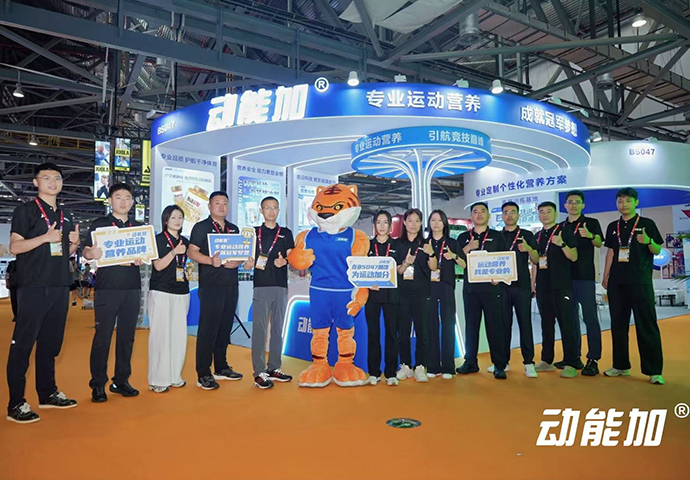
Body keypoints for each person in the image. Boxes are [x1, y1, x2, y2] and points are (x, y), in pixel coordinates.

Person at [6, 163, 79, 424]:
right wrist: (44, 238)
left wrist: (73, 245)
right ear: (36, 182)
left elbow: (64, 253)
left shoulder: (66, 215)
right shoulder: (25, 211)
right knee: (23, 345)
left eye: (57, 177)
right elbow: (15, 247)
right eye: (46, 177)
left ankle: (47, 393)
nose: (52, 181)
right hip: (33, 286)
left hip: (60, 286)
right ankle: (16, 403)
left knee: (50, 345)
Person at [83, 183, 143, 402]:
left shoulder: (138, 228)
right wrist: (91, 253)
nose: (123, 201)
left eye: (127, 197)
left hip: (132, 288)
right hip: (107, 288)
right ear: (110, 201)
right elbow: (86, 251)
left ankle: (121, 380)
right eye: (118, 197)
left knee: (127, 338)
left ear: (132, 202)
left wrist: (142, 258)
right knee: (103, 337)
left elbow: (146, 255)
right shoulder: (100, 224)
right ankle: (98, 384)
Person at [602, 187, 665, 385]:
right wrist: (606, 275)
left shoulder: (647, 223)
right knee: (618, 325)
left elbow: (657, 250)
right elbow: (611, 252)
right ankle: (620, 365)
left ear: (636, 202)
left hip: (640, 281)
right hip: (617, 283)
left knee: (646, 325)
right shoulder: (613, 226)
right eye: (620, 201)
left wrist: (648, 241)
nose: (624, 204)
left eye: (628, 201)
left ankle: (654, 371)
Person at [188, 191, 244, 390]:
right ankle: (203, 373)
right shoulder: (201, 227)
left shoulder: (233, 228)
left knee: (224, 328)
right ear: (210, 206)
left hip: (231, 284)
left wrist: (238, 262)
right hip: (211, 285)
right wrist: (210, 260)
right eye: (217, 203)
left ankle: (221, 366)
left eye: (224, 203)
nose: (221, 206)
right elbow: (192, 252)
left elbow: (240, 253)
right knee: (208, 329)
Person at [243, 196, 295, 390]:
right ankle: (259, 372)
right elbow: (245, 258)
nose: (271, 211)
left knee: (277, 329)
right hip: (261, 286)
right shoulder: (253, 233)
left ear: (279, 210)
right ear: (261, 210)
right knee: (259, 330)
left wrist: (285, 262)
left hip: (280, 286)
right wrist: (247, 264)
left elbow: (292, 257)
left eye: (275, 208)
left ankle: (274, 367)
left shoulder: (286, 233)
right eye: (267, 208)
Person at [456, 202, 509, 379]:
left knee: (495, 327)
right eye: (475, 212)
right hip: (471, 289)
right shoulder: (463, 237)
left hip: (492, 288)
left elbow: (505, 260)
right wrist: (468, 247)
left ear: (488, 215)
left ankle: (499, 365)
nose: (479, 214)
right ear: (471, 216)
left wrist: (499, 277)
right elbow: (457, 260)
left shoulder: (498, 236)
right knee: (471, 327)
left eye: (482, 211)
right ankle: (470, 361)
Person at [531, 201, 580, 379]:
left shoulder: (564, 231)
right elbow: (536, 261)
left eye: (548, 211)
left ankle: (571, 362)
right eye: (541, 212)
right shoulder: (537, 236)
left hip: (562, 285)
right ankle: (547, 360)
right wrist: (533, 283)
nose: (544, 215)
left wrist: (562, 244)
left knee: (567, 324)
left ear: (555, 213)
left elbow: (574, 257)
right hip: (543, 286)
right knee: (546, 324)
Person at [558, 190, 603, 376]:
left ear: (583, 205)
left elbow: (599, 243)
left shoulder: (591, 223)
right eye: (570, 202)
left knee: (590, 317)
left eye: (577, 202)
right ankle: (573, 356)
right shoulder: (560, 226)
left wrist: (591, 236)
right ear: (565, 205)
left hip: (584, 276)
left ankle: (593, 359)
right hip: (565, 278)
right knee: (570, 319)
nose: (573, 205)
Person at [148, 205, 191, 393]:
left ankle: (175, 376)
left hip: (182, 291)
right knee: (161, 335)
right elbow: (158, 266)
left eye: (180, 217)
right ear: (166, 220)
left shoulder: (185, 241)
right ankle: (158, 379)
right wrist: (174, 252)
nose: (177, 221)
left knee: (178, 335)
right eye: (173, 217)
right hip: (161, 291)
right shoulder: (157, 240)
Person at [396, 208, 437, 383]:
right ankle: (405, 365)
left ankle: (421, 366)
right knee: (403, 332)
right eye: (410, 220)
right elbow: (397, 271)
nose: (413, 224)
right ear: (405, 223)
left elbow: (434, 267)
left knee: (423, 332)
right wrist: (406, 263)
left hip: (422, 294)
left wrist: (431, 253)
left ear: (421, 224)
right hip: (402, 295)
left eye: (417, 221)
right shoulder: (398, 244)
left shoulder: (427, 243)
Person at [499, 202, 540, 378]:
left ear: (518, 215)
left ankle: (529, 362)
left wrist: (529, 249)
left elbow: (536, 259)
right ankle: (503, 362)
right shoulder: (497, 236)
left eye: (513, 212)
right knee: (503, 325)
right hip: (502, 286)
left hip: (521, 286)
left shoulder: (527, 235)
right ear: (502, 215)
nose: (509, 215)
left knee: (525, 324)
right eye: (506, 212)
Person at [427, 210, 465, 379]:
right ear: (429, 223)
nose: (436, 223)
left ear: (444, 223)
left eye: (439, 220)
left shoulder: (452, 243)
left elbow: (464, 265)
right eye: (433, 220)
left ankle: (449, 366)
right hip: (429, 288)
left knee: (448, 325)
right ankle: (433, 365)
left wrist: (454, 256)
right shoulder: (425, 243)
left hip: (447, 286)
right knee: (431, 326)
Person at [365, 211, 401, 386]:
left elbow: (400, 270)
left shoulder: (397, 245)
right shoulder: (367, 246)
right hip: (372, 295)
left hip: (391, 295)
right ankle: (374, 372)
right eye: (378, 222)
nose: (381, 226)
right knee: (373, 334)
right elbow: (361, 270)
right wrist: (367, 282)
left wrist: (406, 263)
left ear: (390, 226)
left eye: (385, 222)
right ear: (374, 225)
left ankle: (391, 372)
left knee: (391, 334)